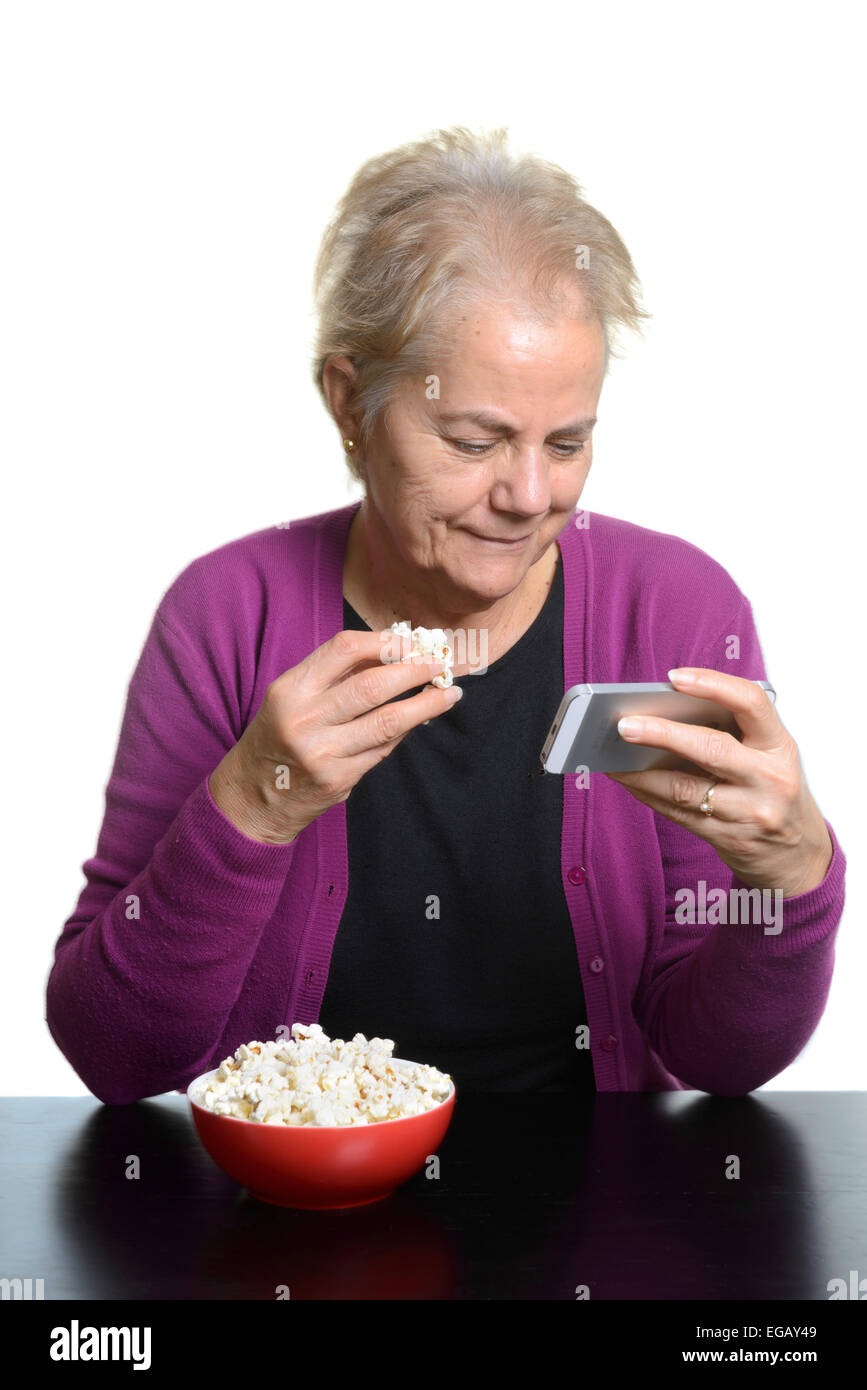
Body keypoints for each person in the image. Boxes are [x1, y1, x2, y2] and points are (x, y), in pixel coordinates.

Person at [46, 127, 845, 1103]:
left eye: (566, 441)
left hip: (599, 1218)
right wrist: (252, 804)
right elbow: (113, 1056)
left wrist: (794, 880)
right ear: (350, 402)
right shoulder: (226, 615)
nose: (526, 493)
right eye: (474, 439)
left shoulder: (673, 607)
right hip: (300, 1224)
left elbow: (721, 1060)